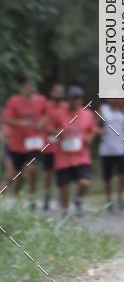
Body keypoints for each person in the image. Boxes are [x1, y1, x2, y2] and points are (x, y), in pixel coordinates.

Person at [50, 86, 98, 217]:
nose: (76, 101)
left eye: (78, 98)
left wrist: (90, 137)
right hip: (63, 156)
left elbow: (93, 130)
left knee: (85, 182)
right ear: (69, 99)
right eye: (73, 98)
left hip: (81, 155)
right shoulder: (59, 113)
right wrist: (60, 131)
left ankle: (78, 199)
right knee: (64, 186)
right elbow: (49, 129)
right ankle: (65, 211)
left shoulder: (87, 114)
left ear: (81, 99)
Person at [1, 74, 48, 205]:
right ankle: (12, 201)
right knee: (14, 177)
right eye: (27, 85)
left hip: (33, 144)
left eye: (32, 85)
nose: (30, 88)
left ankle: (31, 195)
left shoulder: (41, 100)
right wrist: (20, 123)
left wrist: (42, 123)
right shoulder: (14, 101)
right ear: (22, 87)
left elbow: (48, 114)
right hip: (15, 145)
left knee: (32, 169)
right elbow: (5, 119)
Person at [97, 98, 124, 211]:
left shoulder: (123, 109)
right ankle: (108, 199)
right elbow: (95, 126)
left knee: (121, 175)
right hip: (106, 149)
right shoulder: (103, 109)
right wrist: (100, 131)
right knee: (107, 176)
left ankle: (120, 197)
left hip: (122, 147)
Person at [42, 82, 66, 211]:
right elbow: (40, 123)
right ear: (52, 93)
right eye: (56, 91)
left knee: (61, 172)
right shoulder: (46, 106)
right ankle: (47, 195)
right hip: (48, 144)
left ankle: (60, 197)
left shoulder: (65, 106)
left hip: (62, 146)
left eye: (61, 91)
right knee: (48, 173)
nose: (59, 94)